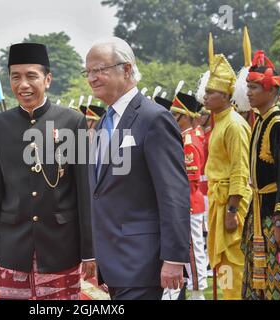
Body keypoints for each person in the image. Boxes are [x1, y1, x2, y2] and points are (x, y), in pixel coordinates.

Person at [0, 43, 95, 300]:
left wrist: (89, 250)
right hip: (12, 246)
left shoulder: (72, 121)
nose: (23, 85)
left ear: (48, 79)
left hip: (61, 245)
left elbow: (83, 190)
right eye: (15, 77)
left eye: (31, 76)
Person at [85, 37, 190, 300]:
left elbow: (173, 194)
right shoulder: (103, 124)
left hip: (144, 262)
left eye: (100, 70)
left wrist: (174, 258)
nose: (92, 78)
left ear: (128, 69)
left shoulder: (153, 119)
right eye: (88, 71)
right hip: (115, 261)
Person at [241, 50, 280, 299]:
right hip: (257, 210)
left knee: (279, 278)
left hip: (273, 216)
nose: (249, 92)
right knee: (258, 277)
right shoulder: (261, 121)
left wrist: (279, 220)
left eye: (254, 87)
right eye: (248, 87)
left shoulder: (278, 124)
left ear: (270, 91)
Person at [203, 53, 252, 300]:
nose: (205, 96)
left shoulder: (234, 124)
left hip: (231, 203)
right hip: (218, 201)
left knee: (234, 260)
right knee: (222, 263)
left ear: (225, 95)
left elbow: (240, 171)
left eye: (211, 91)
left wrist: (232, 210)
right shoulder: (219, 122)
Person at [171, 92, 208, 300]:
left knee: (193, 251)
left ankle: (197, 291)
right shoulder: (186, 137)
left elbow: (190, 179)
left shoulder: (188, 141)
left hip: (189, 204)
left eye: (176, 114)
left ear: (184, 116)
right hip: (188, 204)